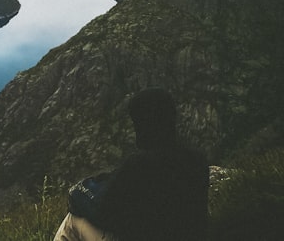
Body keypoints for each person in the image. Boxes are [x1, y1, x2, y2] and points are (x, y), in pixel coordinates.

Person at [53, 88, 209, 241]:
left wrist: (79, 195)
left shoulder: (139, 166)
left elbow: (103, 212)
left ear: (145, 124)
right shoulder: (198, 162)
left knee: (72, 221)